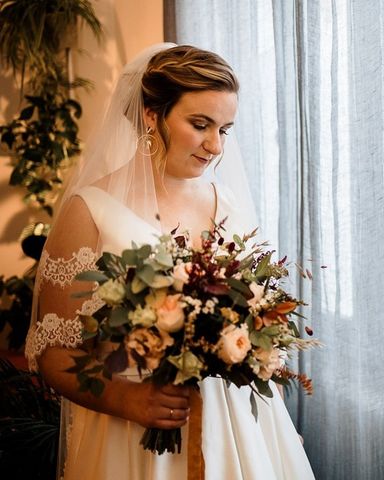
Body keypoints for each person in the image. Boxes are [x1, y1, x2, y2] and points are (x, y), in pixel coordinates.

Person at [24, 43, 315, 480]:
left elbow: (255, 319)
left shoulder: (227, 202)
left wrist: (274, 431)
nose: (215, 145)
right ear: (150, 113)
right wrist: (127, 399)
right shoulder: (91, 209)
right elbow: (53, 353)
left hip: (237, 428)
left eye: (225, 129)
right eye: (200, 124)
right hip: (135, 437)